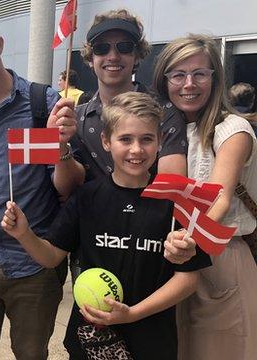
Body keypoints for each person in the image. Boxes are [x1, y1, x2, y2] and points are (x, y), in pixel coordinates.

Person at [2, 91, 211, 360]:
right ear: (106, 141)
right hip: (90, 339)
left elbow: (188, 279)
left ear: (159, 142)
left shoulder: (176, 201)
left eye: (146, 139)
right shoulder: (86, 196)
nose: (136, 149)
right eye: (125, 139)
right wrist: (23, 234)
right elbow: (50, 256)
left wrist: (132, 314)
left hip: (152, 341)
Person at [0, 5, 84, 359]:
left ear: (0, 44)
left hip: (33, 262)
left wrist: (61, 147)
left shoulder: (43, 104)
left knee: (31, 355)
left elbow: (66, 187)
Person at [152, 34, 257, 360]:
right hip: (171, 262)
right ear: (164, 80)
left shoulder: (232, 129)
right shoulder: (164, 131)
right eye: (178, 75)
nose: (188, 84)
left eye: (199, 73)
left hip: (218, 256)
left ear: (215, 77)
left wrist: (190, 241)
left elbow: (220, 198)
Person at [72, 9, 188, 183]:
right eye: (101, 48)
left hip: (151, 209)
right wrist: (60, 148)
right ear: (91, 58)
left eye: (124, 47)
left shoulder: (165, 111)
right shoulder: (76, 118)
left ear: (137, 56)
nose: (113, 56)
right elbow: (68, 189)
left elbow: (171, 188)